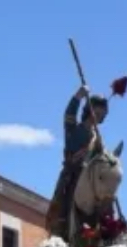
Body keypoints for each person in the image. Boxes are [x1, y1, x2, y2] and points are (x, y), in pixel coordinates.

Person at [46, 85, 110, 239]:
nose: (98, 116)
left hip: (92, 181)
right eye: (97, 111)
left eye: (102, 113)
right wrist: (78, 96)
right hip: (72, 176)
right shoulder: (74, 130)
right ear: (89, 109)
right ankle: (61, 226)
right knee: (64, 204)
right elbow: (69, 115)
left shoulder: (98, 139)